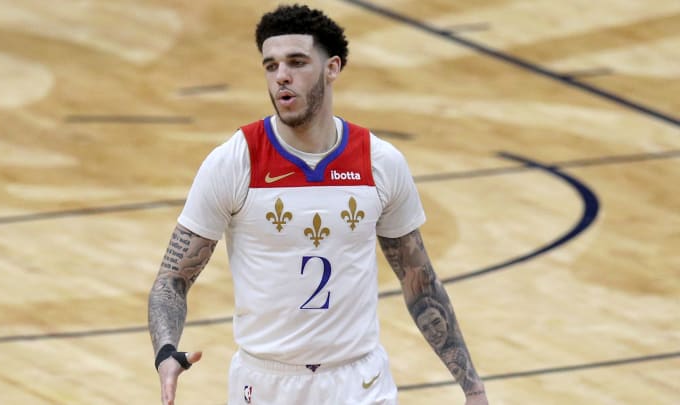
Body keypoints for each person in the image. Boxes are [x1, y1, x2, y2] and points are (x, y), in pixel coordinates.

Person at [148, 4, 489, 405]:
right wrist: (166, 351)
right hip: (266, 383)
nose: (282, 77)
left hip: (359, 381)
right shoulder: (235, 161)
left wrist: (473, 387)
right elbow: (172, 280)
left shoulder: (379, 162)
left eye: (296, 62)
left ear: (333, 68)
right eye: (271, 66)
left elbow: (420, 282)